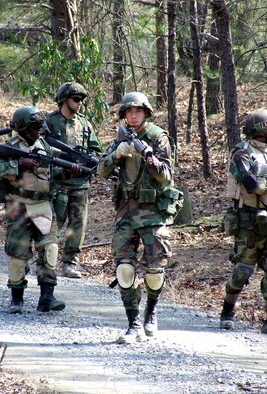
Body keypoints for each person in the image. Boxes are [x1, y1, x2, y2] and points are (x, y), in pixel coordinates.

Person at [98, 92, 181, 344]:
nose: (133, 116)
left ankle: (151, 312)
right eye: (129, 112)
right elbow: (101, 170)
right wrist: (117, 154)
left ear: (146, 113)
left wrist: (149, 157)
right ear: (124, 114)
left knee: (155, 270)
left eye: (138, 111)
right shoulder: (121, 137)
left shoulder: (158, 137)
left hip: (153, 212)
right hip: (125, 211)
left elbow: (166, 176)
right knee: (124, 268)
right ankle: (133, 323)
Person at [220, 108, 267, 336]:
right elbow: (252, 185)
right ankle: (227, 310)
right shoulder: (241, 154)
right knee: (243, 270)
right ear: (259, 131)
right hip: (248, 223)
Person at [0, 106, 67, 314]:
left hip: (42, 205)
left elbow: (53, 171)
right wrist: (18, 164)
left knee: (49, 249)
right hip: (18, 206)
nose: (39, 130)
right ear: (23, 127)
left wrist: (68, 169)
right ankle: (17, 298)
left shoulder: (46, 147)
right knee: (18, 255)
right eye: (35, 126)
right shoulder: (10, 147)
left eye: (41, 126)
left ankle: (47, 297)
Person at [45, 82, 103, 279]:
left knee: (78, 225)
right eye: (76, 99)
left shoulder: (85, 124)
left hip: (80, 183)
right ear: (64, 99)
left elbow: (96, 150)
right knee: (53, 223)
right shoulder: (50, 122)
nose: (80, 103)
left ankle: (70, 263)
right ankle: (45, 260)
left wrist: (87, 161)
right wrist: (62, 161)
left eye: (82, 100)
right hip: (57, 183)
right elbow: (40, 148)